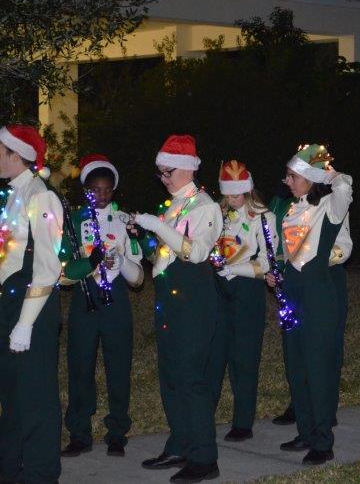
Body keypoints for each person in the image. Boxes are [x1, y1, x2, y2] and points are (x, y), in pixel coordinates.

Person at [0, 125, 64, 484]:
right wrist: (6, 319)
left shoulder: (41, 196)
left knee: (36, 395)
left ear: (17, 155)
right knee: (12, 392)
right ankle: (9, 466)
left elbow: (47, 266)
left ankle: (39, 473)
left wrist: (25, 323)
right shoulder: (16, 194)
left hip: (35, 304)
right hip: (14, 300)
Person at [132, 134, 222, 482]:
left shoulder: (205, 207)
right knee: (171, 376)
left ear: (187, 169)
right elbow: (165, 254)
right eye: (160, 173)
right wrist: (144, 236)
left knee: (190, 378)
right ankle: (180, 444)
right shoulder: (175, 205)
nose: (163, 179)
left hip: (193, 298)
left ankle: (204, 458)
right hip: (169, 296)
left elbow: (195, 252)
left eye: (167, 172)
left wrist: (157, 226)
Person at [265, 144, 352, 465]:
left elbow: (345, 186)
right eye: (287, 176)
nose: (287, 181)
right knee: (297, 365)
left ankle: (323, 440)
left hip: (318, 293)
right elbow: (289, 253)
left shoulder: (329, 206)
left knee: (317, 366)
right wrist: (278, 273)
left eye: (293, 176)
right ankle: (305, 430)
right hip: (293, 293)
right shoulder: (290, 210)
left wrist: (323, 173)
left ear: (310, 178)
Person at [59, 154, 144, 458]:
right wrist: (88, 263)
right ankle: (79, 432)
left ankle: (117, 431)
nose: (102, 195)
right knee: (80, 367)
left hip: (116, 300)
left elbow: (138, 278)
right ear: (86, 190)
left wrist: (121, 261)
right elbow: (62, 273)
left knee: (118, 367)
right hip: (85, 298)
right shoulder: (73, 221)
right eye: (95, 190)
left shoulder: (124, 221)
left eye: (107, 189)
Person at [207, 160, 276, 442]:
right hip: (217, 290)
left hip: (247, 291)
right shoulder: (217, 212)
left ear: (247, 189)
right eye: (228, 193)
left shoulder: (263, 217)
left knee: (244, 359)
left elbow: (268, 262)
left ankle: (243, 423)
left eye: (237, 193)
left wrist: (234, 269)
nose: (232, 198)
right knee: (214, 357)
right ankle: (203, 417)